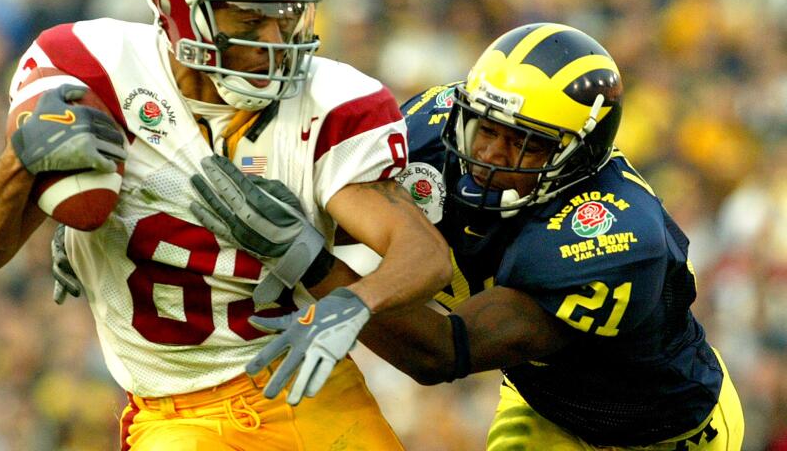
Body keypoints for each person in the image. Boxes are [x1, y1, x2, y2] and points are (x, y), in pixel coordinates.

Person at [0, 0, 452, 450]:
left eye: (284, 16)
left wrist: (354, 302)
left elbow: (421, 252)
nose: (272, 43)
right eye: (248, 17)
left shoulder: (330, 101)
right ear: (182, 12)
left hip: (304, 383)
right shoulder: (96, 70)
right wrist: (25, 160)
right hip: (177, 414)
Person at [199, 22, 745, 449]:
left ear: (580, 153)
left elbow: (443, 352)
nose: (488, 154)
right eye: (486, 128)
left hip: (671, 431)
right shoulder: (435, 130)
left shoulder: (613, 236)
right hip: (545, 406)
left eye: (523, 143)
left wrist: (312, 265)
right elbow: (318, 195)